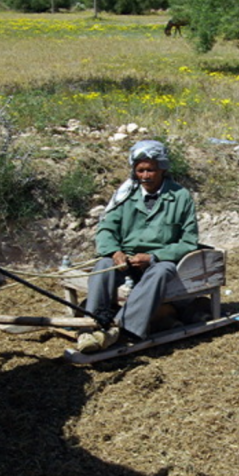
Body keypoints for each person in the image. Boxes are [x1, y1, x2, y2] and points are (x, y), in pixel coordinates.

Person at [77, 140, 199, 353]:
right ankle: (92, 325)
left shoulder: (181, 197)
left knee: (162, 271)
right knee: (103, 265)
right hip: (126, 259)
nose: (145, 176)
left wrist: (152, 257)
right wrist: (115, 252)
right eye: (140, 170)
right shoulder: (125, 194)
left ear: (161, 169)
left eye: (150, 170)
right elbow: (106, 229)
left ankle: (123, 329)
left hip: (159, 261)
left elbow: (188, 242)